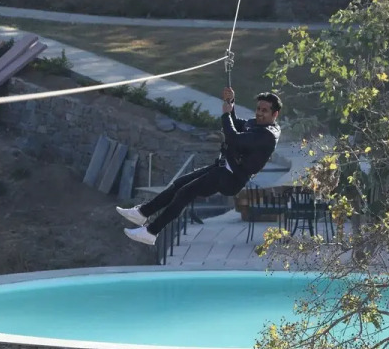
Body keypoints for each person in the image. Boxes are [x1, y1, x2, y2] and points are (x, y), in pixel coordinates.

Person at [117, 87, 282, 245]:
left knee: (185, 192)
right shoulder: (256, 124)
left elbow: (233, 137)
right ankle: (142, 213)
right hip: (223, 168)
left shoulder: (268, 135)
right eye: (258, 109)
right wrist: (231, 102)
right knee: (179, 183)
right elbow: (237, 124)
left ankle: (151, 232)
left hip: (231, 179)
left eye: (264, 111)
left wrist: (226, 114)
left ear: (275, 114)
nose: (259, 113)